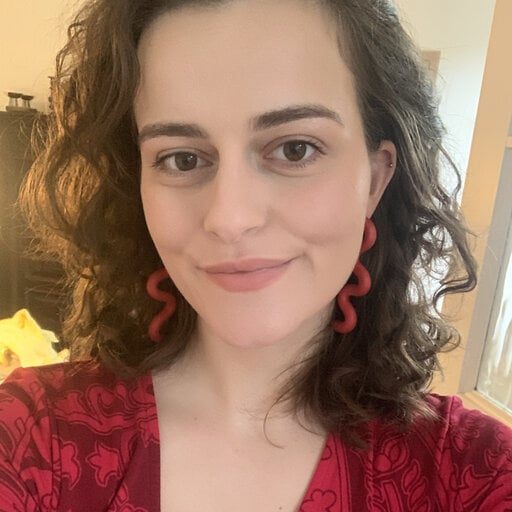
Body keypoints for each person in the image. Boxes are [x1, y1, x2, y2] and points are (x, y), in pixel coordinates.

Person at [1, 0, 511, 510]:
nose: (229, 218)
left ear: (375, 179)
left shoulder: (473, 472)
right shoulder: (30, 436)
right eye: (182, 159)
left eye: (295, 149)